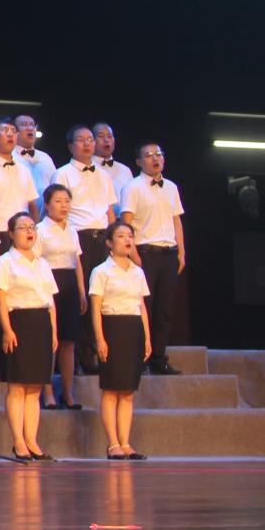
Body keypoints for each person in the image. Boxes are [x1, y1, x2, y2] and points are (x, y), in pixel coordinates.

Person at [0, 212, 58, 462]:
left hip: (41, 323)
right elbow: (0, 299)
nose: (29, 232)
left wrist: (53, 332)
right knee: (18, 386)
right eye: (23, 228)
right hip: (18, 322)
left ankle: (31, 440)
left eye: (32, 227)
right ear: (11, 233)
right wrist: (7, 330)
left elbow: (50, 302)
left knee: (35, 387)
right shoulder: (4, 262)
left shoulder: (42, 263)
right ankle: (18, 441)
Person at [88, 220, 152, 459]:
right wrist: (100, 339)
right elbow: (95, 308)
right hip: (112, 328)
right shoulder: (101, 271)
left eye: (130, 236)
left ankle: (126, 443)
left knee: (127, 391)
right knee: (111, 389)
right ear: (109, 243)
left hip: (133, 329)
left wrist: (147, 339)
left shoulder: (138, 272)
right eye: (121, 236)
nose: (127, 240)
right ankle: (113, 444)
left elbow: (142, 307)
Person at [122, 143, 186, 376]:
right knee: (143, 308)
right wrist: (133, 254)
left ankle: (159, 358)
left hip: (169, 253)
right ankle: (140, 358)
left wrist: (181, 252)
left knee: (164, 310)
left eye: (159, 154)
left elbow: (176, 220)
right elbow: (126, 221)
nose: (155, 158)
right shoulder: (133, 187)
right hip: (145, 253)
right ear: (139, 162)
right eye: (149, 155)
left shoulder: (171, 187)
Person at [35, 183, 89, 411]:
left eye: (67, 201)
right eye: (58, 201)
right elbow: (35, 263)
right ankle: (47, 392)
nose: (63, 205)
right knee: (51, 341)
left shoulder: (72, 230)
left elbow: (77, 262)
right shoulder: (39, 230)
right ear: (47, 205)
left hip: (69, 286)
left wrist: (82, 291)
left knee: (69, 341)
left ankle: (67, 392)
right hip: (49, 284)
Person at [59, 125, 119, 270]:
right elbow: (58, 212)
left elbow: (110, 211)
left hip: (103, 238)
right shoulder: (63, 174)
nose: (87, 144)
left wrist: (114, 239)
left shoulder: (104, 175)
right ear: (70, 146)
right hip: (78, 237)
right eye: (81, 140)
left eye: (90, 140)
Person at [0, 117, 41, 247]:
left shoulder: (24, 169)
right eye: (5, 130)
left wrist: (35, 229)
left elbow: (32, 206)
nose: (10, 134)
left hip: (24, 234)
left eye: (13, 131)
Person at [13, 114, 58, 195]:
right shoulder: (10, 157)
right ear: (14, 131)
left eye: (32, 125)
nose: (30, 128)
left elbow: (55, 185)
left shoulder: (45, 157)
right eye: (24, 125)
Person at [93, 122, 133, 203]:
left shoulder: (125, 170)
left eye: (109, 136)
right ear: (92, 141)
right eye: (101, 136)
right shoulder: (87, 168)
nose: (106, 140)